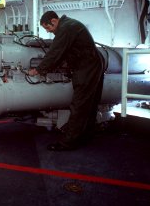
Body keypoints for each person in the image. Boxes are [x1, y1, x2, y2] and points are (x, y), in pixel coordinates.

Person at [28, 11, 104, 151]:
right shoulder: (70, 24)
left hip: (87, 67)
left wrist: (38, 70)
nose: (48, 31)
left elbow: (55, 52)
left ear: (54, 21)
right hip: (92, 64)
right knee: (90, 104)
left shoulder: (66, 28)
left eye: (48, 28)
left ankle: (68, 143)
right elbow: (63, 53)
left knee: (79, 104)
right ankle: (86, 136)